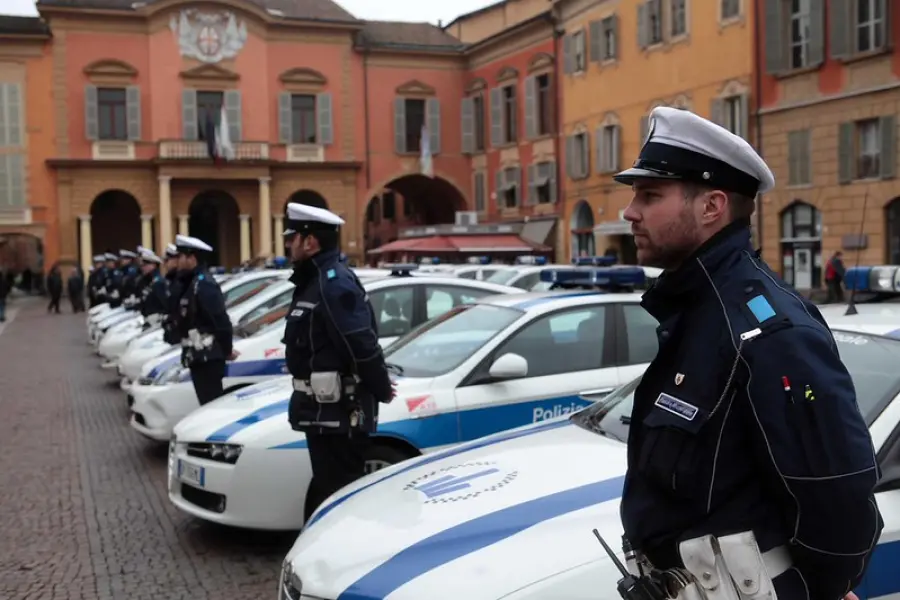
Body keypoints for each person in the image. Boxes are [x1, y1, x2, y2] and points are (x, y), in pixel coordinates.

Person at [614, 107, 882, 599]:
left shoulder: (767, 330)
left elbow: (839, 498)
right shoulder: (696, 311)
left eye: (649, 196)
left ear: (712, 207)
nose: (629, 212)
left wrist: (815, 589)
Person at [281, 202, 394, 515]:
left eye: (292, 238)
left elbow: (360, 343)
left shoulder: (333, 283)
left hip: (339, 414)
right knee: (327, 492)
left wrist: (381, 387)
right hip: (322, 414)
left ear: (310, 241)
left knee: (341, 500)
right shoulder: (313, 281)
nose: (287, 244)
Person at [174, 234, 234, 405]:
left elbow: (220, 321)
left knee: (211, 405)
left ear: (191, 258)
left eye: (180, 257)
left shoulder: (204, 284)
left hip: (208, 357)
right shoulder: (191, 283)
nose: (177, 262)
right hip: (199, 356)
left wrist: (227, 350)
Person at [137, 247, 168, 327]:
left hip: (157, 324)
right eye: (141, 266)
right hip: (147, 321)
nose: (142, 268)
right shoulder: (146, 281)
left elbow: (166, 306)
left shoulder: (159, 283)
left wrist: (159, 316)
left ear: (153, 265)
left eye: (144, 265)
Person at [161, 244, 182, 338]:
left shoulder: (181, 281)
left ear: (176, 261)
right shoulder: (171, 280)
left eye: (167, 260)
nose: (165, 264)